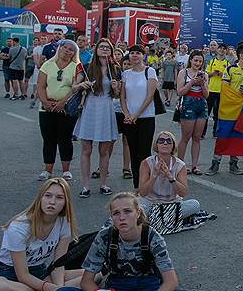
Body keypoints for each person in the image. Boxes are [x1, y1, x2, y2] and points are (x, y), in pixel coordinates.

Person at [52, 192, 200, 291]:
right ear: (111, 218)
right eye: (116, 213)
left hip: (148, 289)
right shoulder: (105, 237)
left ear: (138, 213)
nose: (122, 217)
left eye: (127, 211)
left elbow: (171, 282)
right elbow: (86, 281)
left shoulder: (152, 237)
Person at [0, 178, 83, 291]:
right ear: (40, 198)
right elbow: (22, 274)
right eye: (48, 196)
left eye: (59, 197)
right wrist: (53, 289)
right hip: (10, 273)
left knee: (93, 276)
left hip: (39, 271)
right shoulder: (19, 227)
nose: (52, 202)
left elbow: (58, 265)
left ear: (65, 202)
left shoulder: (64, 222)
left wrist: (59, 288)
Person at [73, 38, 120, 198]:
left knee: (104, 150)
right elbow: (73, 87)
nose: (105, 50)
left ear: (111, 51)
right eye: (102, 47)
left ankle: (103, 184)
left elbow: (118, 94)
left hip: (107, 109)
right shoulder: (87, 68)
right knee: (86, 150)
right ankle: (85, 186)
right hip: (90, 108)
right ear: (96, 50)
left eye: (108, 48)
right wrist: (81, 85)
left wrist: (116, 88)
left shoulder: (115, 69)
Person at [36, 39, 82, 182]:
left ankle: (66, 170)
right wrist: (45, 102)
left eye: (71, 50)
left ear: (74, 53)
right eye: (65, 48)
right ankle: (47, 170)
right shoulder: (47, 65)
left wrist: (63, 102)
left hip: (66, 109)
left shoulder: (77, 67)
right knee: (48, 139)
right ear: (59, 48)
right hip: (47, 107)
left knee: (65, 139)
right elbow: (41, 85)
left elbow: (75, 88)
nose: (67, 51)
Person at [139, 131, 205, 224]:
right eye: (161, 140)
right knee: (137, 209)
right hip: (150, 203)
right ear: (156, 145)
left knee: (195, 204)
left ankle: (154, 219)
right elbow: (142, 192)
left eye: (169, 141)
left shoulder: (180, 165)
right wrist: (154, 176)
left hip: (171, 204)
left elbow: (183, 193)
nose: (165, 143)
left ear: (173, 146)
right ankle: (167, 218)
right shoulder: (146, 163)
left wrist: (170, 177)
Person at [208, 42, 243, 175]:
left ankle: (234, 163)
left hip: (242, 109)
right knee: (223, 135)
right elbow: (224, 89)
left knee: (238, 136)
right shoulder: (231, 69)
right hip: (227, 109)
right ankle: (215, 163)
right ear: (240, 55)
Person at [121, 44, 159, 189]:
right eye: (132, 53)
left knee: (144, 153)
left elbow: (150, 96)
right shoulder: (126, 74)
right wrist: (127, 114)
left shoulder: (150, 71)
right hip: (129, 119)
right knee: (133, 152)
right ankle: (137, 186)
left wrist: (136, 115)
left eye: (138, 53)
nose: (135, 56)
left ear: (143, 55)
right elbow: (122, 97)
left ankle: (147, 186)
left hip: (146, 118)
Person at [175, 50, 209, 176]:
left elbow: (206, 95)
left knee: (197, 137)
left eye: (200, 61)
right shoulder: (183, 72)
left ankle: (195, 166)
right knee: (186, 137)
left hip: (201, 105)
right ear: (190, 60)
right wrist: (191, 82)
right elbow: (180, 92)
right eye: (195, 60)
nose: (198, 63)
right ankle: (180, 165)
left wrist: (203, 84)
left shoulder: (204, 74)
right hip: (188, 104)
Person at [203, 41, 228, 138]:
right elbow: (206, 74)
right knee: (206, 112)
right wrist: (213, 73)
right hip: (211, 89)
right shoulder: (212, 61)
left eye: (223, 49)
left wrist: (222, 75)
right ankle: (202, 132)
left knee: (218, 113)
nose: (222, 50)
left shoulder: (227, 63)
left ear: (225, 51)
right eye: (220, 48)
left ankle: (215, 132)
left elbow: (228, 77)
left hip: (221, 90)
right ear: (217, 50)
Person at [28, 36, 46, 109]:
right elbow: (35, 58)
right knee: (38, 85)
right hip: (38, 69)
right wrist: (38, 65)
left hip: (46, 69)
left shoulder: (47, 47)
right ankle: (34, 100)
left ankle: (40, 102)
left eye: (44, 39)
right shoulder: (36, 48)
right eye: (42, 38)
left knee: (45, 86)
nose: (43, 40)